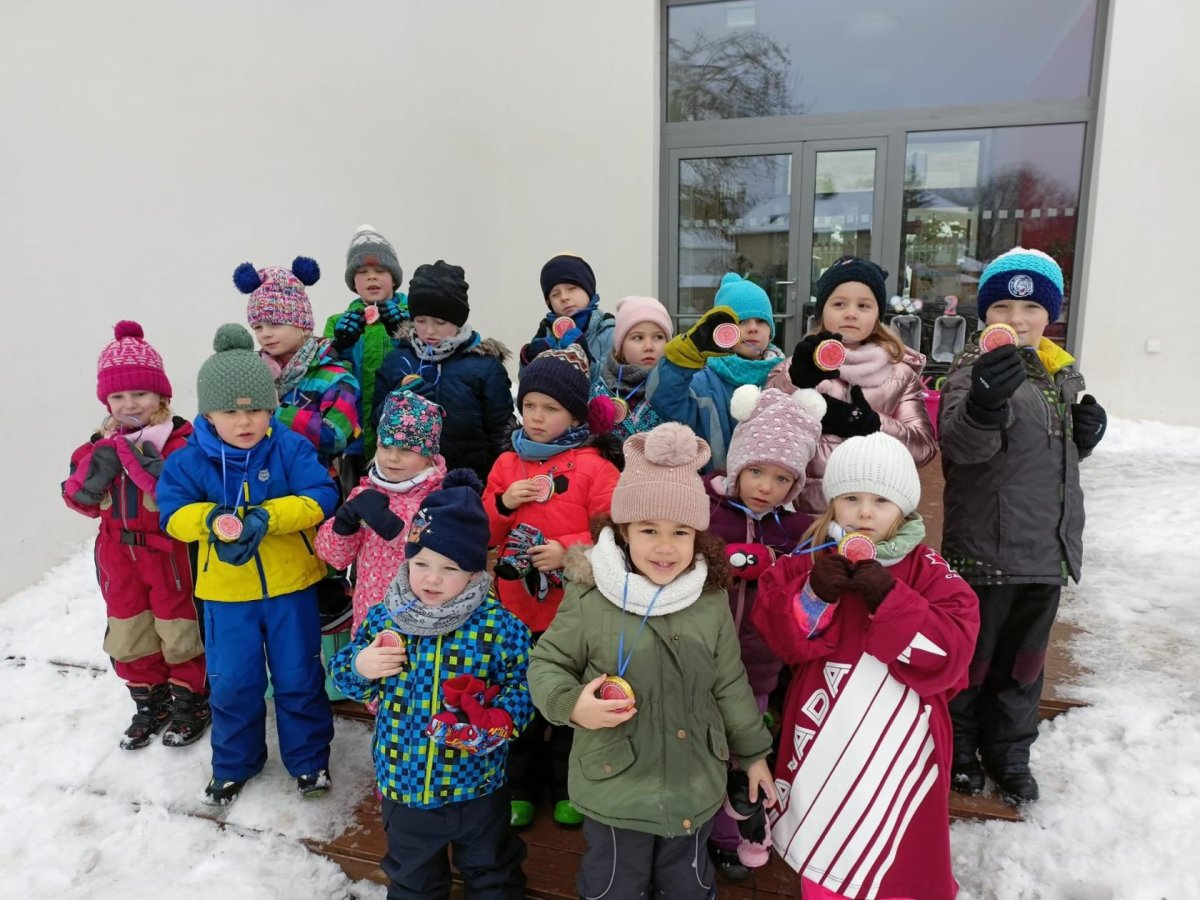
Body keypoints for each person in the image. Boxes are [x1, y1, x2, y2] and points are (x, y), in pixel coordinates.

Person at [528, 422, 776, 899]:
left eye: (680, 532)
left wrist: (754, 755)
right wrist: (572, 704)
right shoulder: (591, 594)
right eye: (648, 530)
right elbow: (546, 663)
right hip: (616, 782)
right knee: (615, 887)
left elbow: (729, 683)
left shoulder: (709, 599)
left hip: (693, 782)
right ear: (623, 531)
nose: (665, 547)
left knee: (688, 886)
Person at [753, 432, 979, 900]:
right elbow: (777, 631)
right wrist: (812, 596)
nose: (864, 513)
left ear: (904, 507)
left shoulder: (929, 570)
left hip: (902, 740)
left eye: (880, 500)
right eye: (851, 498)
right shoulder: (809, 560)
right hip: (825, 730)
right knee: (824, 839)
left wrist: (892, 599)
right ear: (833, 502)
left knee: (897, 849)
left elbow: (954, 651)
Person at [940, 247, 1107, 805]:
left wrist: (1081, 440)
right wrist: (984, 405)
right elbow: (962, 447)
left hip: (1045, 552)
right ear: (985, 315)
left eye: (1031, 307)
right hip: (986, 548)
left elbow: (1040, 460)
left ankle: (1010, 753)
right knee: (976, 661)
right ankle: (962, 749)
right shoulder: (973, 370)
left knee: (1024, 666)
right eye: (1003, 307)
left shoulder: (1060, 373)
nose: (1017, 318)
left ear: (1049, 314)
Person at [328, 471, 533, 899]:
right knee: (414, 878)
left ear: (474, 571)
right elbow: (346, 677)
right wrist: (361, 666)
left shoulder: (499, 626)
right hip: (405, 781)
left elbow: (524, 685)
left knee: (493, 872)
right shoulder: (386, 616)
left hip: (476, 782)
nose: (431, 578)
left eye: (449, 568)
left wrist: (500, 719)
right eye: (421, 563)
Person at [157, 324, 338, 806]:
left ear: (270, 408)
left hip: (290, 587)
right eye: (230, 412)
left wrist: (269, 517)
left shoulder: (290, 447)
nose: (245, 422)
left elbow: (322, 495)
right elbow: (172, 515)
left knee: (299, 676)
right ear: (208, 414)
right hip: (226, 594)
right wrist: (211, 520)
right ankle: (235, 763)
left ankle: (309, 760)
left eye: (256, 409)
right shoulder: (188, 460)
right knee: (234, 683)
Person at [483, 345, 620, 827]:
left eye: (551, 408)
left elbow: (614, 532)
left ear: (576, 415)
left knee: (570, 696)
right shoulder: (507, 465)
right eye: (529, 406)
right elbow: (485, 534)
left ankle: (567, 785)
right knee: (519, 697)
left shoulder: (596, 467)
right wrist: (503, 503)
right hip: (517, 608)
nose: (537, 417)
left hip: (572, 611)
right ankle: (519, 785)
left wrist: (569, 551)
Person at [62, 320, 208, 750]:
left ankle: (191, 701)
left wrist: (157, 473)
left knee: (179, 628)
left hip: (169, 554)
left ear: (161, 395)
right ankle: (151, 702)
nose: (130, 405)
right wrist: (94, 471)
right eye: (118, 396)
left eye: (140, 393)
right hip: (117, 556)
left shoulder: (181, 442)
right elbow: (80, 501)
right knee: (129, 630)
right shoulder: (96, 446)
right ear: (106, 401)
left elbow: (198, 492)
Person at [703, 384, 825, 880]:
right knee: (702, 744)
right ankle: (695, 826)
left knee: (745, 746)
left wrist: (775, 562)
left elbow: (811, 578)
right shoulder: (707, 511)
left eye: (781, 478)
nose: (766, 487)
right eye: (756, 471)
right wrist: (724, 560)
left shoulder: (794, 530)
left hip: (756, 663)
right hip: (701, 656)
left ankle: (732, 831)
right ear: (737, 466)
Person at [771, 255, 936, 514]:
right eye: (839, 304)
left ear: (877, 314)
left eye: (863, 305)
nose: (850, 313)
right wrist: (794, 383)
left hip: (871, 518)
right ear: (822, 312)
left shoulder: (901, 374)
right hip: (803, 515)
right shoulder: (796, 365)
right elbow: (762, 425)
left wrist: (872, 424)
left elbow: (923, 448)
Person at [314, 389, 447, 637]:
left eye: (406, 450)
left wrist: (394, 529)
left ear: (428, 455)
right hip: (370, 619)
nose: (392, 458)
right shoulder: (365, 492)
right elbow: (335, 558)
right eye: (386, 446)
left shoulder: (440, 499)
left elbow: (439, 557)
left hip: (420, 624)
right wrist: (343, 526)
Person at [374, 260, 515, 482]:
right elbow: (376, 422)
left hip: (469, 479)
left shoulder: (485, 366)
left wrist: (500, 482)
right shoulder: (397, 361)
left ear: (458, 320)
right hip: (409, 482)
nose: (429, 330)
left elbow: (501, 432)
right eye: (421, 320)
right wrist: (396, 400)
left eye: (440, 322)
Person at [645, 272, 784, 471]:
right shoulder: (702, 381)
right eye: (742, 321)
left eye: (761, 321)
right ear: (722, 331)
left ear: (770, 332)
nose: (753, 328)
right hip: (714, 484)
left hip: (768, 485)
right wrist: (683, 359)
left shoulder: (782, 378)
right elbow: (664, 399)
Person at [233, 255, 361, 471]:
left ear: (303, 325)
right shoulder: (250, 372)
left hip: (310, 481)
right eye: (258, 327)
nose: (265, 334)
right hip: (254, 479)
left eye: (275, 324)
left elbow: (336, 437)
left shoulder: (335, 377)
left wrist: (277, 411)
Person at [324, 225, 409, 492]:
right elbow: (326, 372)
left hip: (402, 436)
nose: (371, 277)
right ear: (353, 282)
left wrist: (404, 332)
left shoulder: (416, 316)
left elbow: (425, 359)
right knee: (355, 501)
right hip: (355, 436)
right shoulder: (337, 322)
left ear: (394, 278)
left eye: (380, 270)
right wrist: (340, 345)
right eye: (362, 272)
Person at [588, 295, 673, 444]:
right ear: (620, 347)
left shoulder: (676, 390)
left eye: (658, 337)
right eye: (638, 338)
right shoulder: (599, 391)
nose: (649, 346)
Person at [518, 253, 614, 371]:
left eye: (572, 289)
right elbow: (526, 381)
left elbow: (615, 379)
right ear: (549, 302)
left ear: (588, 290)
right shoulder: (545, 332)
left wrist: (586, 360)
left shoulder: (608, 331)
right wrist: (528, 360)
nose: (564, 297)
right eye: (555, 294)